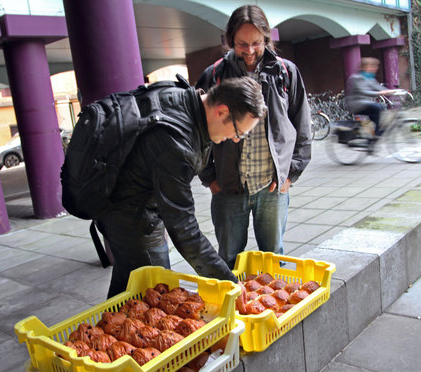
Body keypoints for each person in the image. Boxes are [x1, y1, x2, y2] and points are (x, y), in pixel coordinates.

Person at [96, 76, 267, 298]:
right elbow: (184, 228)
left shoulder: (184, 97)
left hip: (118, 206)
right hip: (131, 218)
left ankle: (105, 327)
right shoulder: (175, 145)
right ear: (222, 111)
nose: (235, 139)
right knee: (152, 295)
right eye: (238, 132)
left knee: (128, 286)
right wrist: (229, 282)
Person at [196, 5, 312, 269]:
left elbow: (302, 128)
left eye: (257, 43)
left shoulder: (286, 72)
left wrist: (290, 175)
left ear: (267, 39)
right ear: (229, 41)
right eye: (242, 44)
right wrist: (210, 179)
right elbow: (199, 131)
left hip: (271, 189)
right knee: (228, 260)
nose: (249, 51)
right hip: (227, 189)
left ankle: (272, 309)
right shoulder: (213, 75)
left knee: (273, 260)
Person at [346, 57, 399, 137]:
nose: (375, 68)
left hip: (365, 103)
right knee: (377, 107)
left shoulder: (370, 78)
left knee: (382, 107)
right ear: (364, 67)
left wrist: (394, 91)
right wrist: (379, 93)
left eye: (375, 66)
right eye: (372, 66)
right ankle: (377, 133)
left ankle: (372, 135)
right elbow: (363, 91)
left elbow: (378, 87)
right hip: (356, 104)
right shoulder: (356, 78)